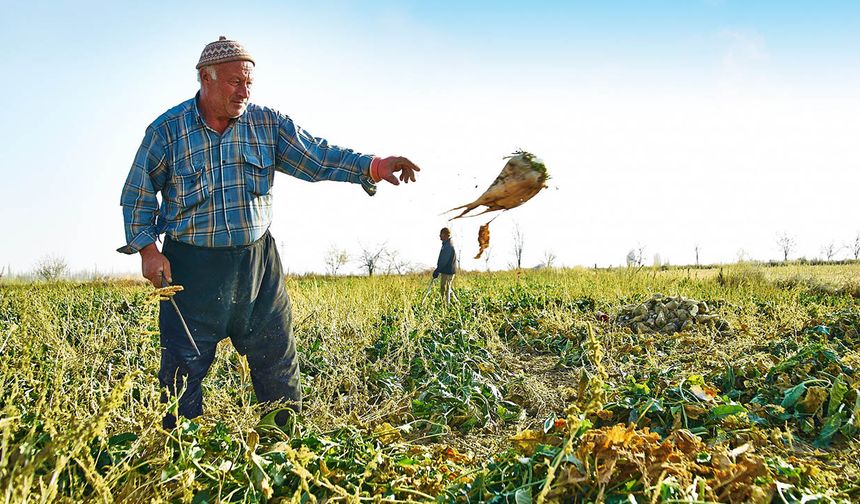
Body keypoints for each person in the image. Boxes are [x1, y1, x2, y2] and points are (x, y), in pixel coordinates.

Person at [118, 36, 420, 428]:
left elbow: (316, 157)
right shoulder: (167, 131)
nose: (244, 92)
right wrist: (148, 251)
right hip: (191, 271)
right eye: (234, 82)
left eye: (249, 83)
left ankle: (282, 447)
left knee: (277, 361)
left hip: (257, 267)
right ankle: (181, 450)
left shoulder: (267, 124)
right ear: (205, 78)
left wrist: (374, 166)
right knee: (181, 371)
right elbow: (138, 193)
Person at [432, 228, 457, 305]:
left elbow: (444, 260)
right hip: (445, 271)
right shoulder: (445, 244)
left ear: (446, 235)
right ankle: (456, 303)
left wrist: (438, 270)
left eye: (441, 234)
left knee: (445, 289)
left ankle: (446, 306)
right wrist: (438, 269)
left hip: (448, 271)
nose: (440, 235)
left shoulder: (448, 245)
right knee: (445, 288)